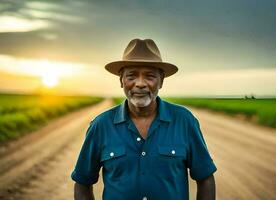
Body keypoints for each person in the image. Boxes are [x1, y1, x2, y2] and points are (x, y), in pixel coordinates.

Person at [71, 38, 217, 200]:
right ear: (121, 80)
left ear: (161, 81)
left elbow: (205, 178)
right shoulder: (101, 125)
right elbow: (83, 182)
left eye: (149, 76)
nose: (140, 84)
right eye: (131, 76)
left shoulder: (184, 121)